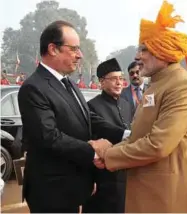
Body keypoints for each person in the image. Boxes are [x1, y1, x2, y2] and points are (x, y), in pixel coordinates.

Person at [89, 1, 187, 213]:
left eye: (144, 49)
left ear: (163, 51)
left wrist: (109, 155)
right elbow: (137, 136)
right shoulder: (157, 85)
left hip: (167, 196)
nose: (137, 56)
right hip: (148, 192)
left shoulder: (183, 86)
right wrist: (111, 151)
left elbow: (158, 144)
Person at [18, 20, 126, 213]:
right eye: (74, 49)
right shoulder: (34, 87)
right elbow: (48, 136)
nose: (80, 55)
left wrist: (125, 135)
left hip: (74, 184)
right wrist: (93, 150)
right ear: (53, 49)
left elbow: (88, 119)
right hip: (51, 190)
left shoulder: (69, 84)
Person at [84, 58, 133, 213]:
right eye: (113, 79)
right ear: (102, 82)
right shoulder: (92, 106)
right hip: (103, 177)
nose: (119, 83)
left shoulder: (127, 104)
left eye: (121, 79)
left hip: (125, 174)